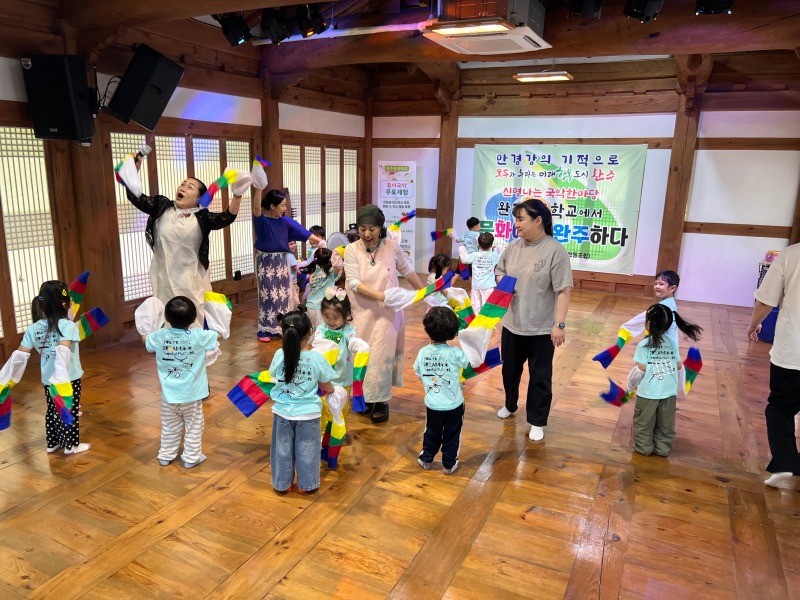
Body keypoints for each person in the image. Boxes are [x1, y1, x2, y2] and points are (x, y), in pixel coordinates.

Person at [495, 198, 573, 442]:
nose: (516, 224)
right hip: (512, 324)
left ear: (538, 220)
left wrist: (559, 325)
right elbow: (499, 271)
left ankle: (537, 421)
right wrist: (503, 283)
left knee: (540, 377)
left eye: (521, 219)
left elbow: (563, 290)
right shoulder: (512, 247)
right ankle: (510, 404)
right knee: (510, 371)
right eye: (515, 219)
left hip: (541, 329)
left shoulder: (555, 251)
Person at [128, 162, 241, 328]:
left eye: (190, 187)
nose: (183, 188)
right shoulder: (161, 206)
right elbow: (136, 198)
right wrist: (132, 172)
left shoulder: (202, 217)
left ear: (198, 198)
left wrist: (237, 195)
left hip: (192, 279)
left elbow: (227, 217)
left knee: (194, 317)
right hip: (164, 276)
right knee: (166, 316)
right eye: (183, 184)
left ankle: (197, 343)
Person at [343, 205, 425, 423]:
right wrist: (382, 296)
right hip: (362, 312)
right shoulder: (351, 250)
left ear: (381, 228)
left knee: (380, 355)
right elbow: (353, 282)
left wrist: (426, 293)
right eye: (362, 229)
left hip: (387, 314)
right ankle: (363, 396)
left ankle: (379, 400)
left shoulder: (391, 246)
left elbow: (408, 271)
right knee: (361, 354)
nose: (367, 234)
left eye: (372, 229)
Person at [747, 243, 800, 487]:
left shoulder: (792, 254)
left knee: (781, 407)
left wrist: (754, 324)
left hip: (793, 350)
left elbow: (766, 300)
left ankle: (785, 462)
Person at [143, 296, 218, 468]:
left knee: (170, 425)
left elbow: (146, 341)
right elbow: (218, 335)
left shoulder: (160, 336)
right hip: (192, 395)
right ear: (193, 318)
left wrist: (144, 331)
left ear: (166, 318)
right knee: (194, 426)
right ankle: (191, 458)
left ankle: (165, 455)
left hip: (168, 396)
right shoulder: (199, 336)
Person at [268, 308, 337, 493]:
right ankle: (306, 485)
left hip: (282, 412)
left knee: (282, 450)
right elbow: (326, 385)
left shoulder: (279, 355)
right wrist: (332, 391)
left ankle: (282, 484)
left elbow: (272, 373)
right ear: (310, 331)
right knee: (308, 451)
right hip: (309, 415)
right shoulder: (316, 358)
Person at [18, 281, 89, 455]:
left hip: (47, 378)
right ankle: (71, 446)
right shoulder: (67, 326)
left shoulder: (33, 328)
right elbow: (63, 350)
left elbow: (20, 354)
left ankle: (53, 443)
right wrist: (61, 378)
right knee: (68, 410)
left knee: (52, 410)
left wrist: (6, 378)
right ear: (65, 303)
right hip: (68, 378)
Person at [629, 303, 700, 457]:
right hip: (669, 392)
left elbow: (641, 369)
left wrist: (631, 385)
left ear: (648, 323)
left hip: (648, 394)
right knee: (666, 423)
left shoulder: (644, 345)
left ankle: (643, 448)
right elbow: (679, 365)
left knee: (644, 422)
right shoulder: (671, 343)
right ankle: (662, 448)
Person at [253, 189, 322, 342]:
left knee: (283, 295)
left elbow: (302, 231)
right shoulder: (261, 220)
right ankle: (264, 330)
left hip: (281, 261)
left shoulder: (284, 221)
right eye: (282, 206)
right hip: (266, 262)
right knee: (268, 295)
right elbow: (256, 207)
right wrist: (258, 188)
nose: (285, 209)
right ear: (272, 206)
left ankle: (280, 326)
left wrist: (321, 242)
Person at [414, 307, 470, 475]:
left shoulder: (423, 352)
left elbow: (418, 371)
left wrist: (428, 380)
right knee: (453, 434)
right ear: (453, 331)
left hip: (433, 404)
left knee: (431, 431)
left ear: (427, 329)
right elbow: (470, 363)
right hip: (454, 405)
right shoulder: (456, 353)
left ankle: (426, 459)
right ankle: (448, 465)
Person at [311, 288, 365, 434]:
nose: (331, 321)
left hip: (343, 376)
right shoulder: (321, 329)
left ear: (346, 315)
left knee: (342, 405)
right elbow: (318, 344)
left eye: (336, 318)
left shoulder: (349, 330)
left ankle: (337, 430)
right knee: (324, 406)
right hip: (325, 377)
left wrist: (359, 345)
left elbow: (352, 341)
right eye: (327, 316)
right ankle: (323, 432)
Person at [460, 232, 500, 315]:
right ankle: (486, 321)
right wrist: (498, 249)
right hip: (489, 285)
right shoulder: (495, 255)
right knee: (488, 306)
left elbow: (464, 260)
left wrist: (462, 248)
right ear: (492, 244)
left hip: (476, 285)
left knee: (475, 306)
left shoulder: (474, 255)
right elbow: (502, 258)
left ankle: (476, 321)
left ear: (478, 244)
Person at [302, 248, 336, 329]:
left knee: (312, 332)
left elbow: (309, 287)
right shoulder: (331, 271)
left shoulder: (315, 270)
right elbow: (340, 265)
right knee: (322, 332)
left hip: (309, 306)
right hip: (321, 307)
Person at [285, 241, 300, 311]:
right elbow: (295, 268)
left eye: (294, 243)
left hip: (287, 282)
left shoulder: (285, 254)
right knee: (296, 304)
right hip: (293, 284)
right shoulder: (290, 255)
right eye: (291, 244)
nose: (294, 245)